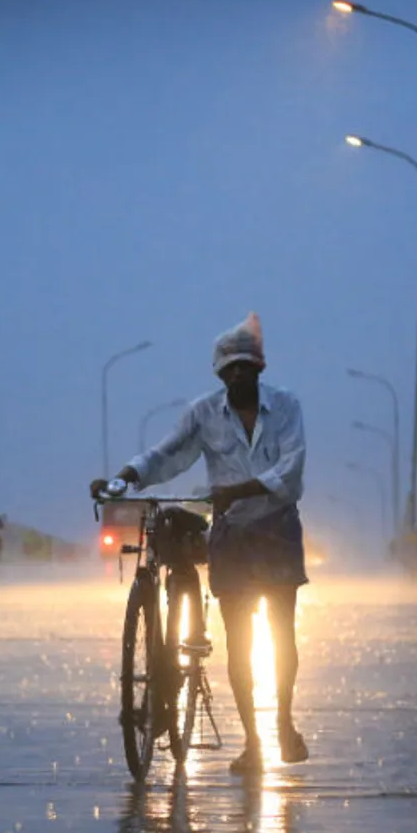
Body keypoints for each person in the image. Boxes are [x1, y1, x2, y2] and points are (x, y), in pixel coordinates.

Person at [89, 312, 309, 775]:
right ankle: (252, 742)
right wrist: (127, 476)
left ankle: (285, 722)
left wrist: (242, 490)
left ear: (259, 370)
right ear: (220, 375)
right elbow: (169, 454)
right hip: (231, 533)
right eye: (230, 371)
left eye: (246, 368)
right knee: (240, 641)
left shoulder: (286, 407)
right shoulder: (205, 413)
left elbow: (291, 470)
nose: (238, 376)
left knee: (282, 636)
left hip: (276, 527)